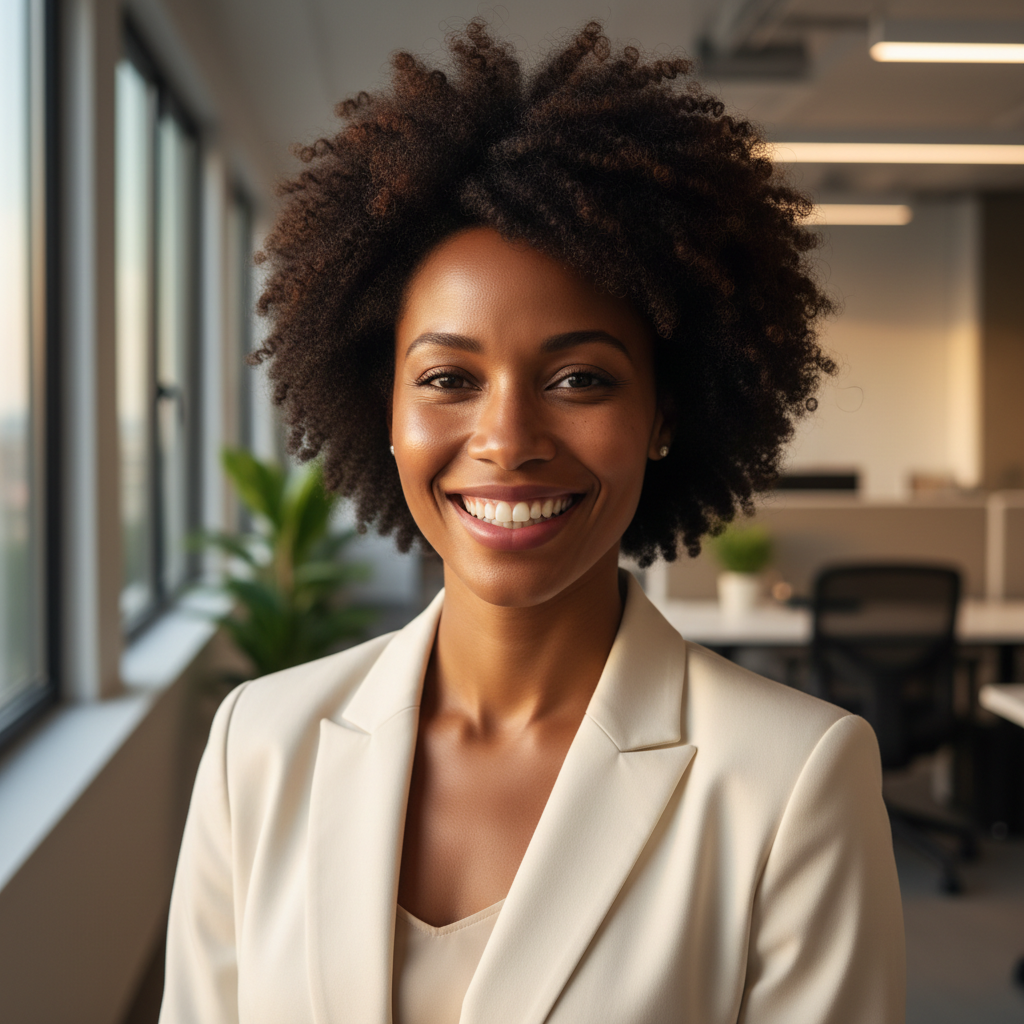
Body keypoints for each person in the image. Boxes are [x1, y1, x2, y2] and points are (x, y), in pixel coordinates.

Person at [159, 21, 905, 1024]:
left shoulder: (787, 778)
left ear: (664, 413)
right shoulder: (261, 742)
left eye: (580, 378)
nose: (506, 439)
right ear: (384, 407)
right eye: (447, 378)